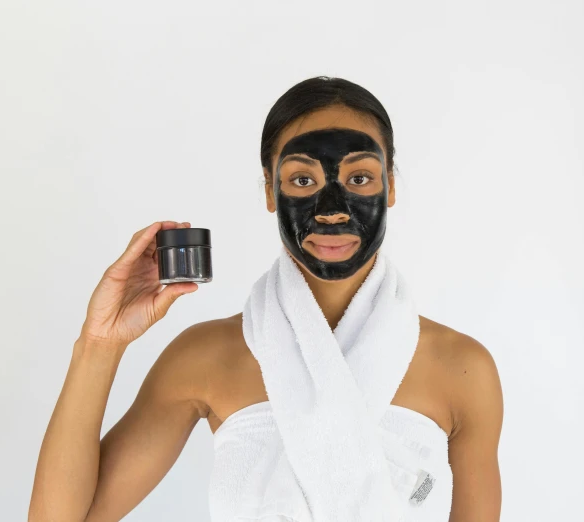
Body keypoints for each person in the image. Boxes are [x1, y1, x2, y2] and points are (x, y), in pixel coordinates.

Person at [28, 76, 504, 522]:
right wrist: (99, 343)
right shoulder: (205, 358)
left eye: (359, 179)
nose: (333, 211)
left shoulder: (463, 369)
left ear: (391, 186)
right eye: (303, 181)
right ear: (270, 190)